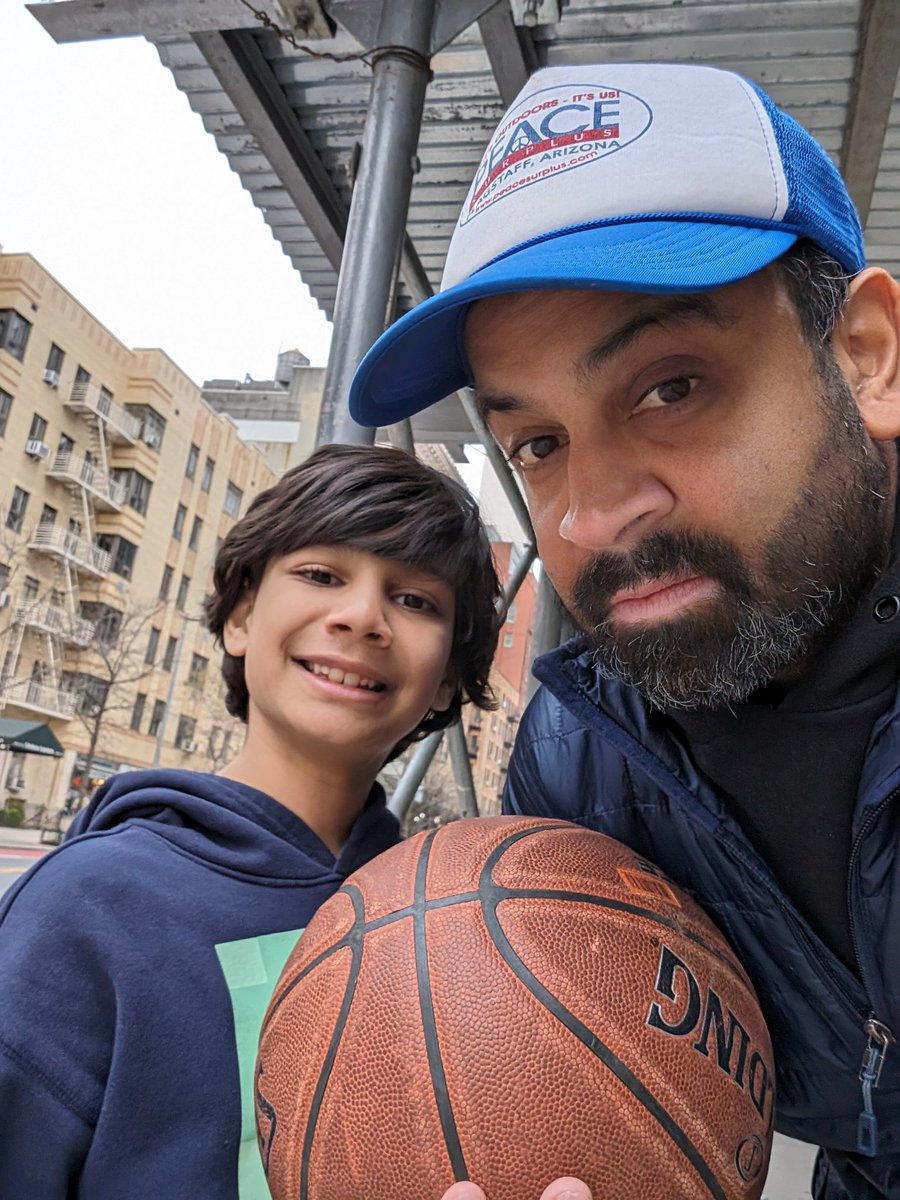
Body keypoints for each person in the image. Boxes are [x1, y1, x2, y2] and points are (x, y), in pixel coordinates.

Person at [349, 62, 900, 1199]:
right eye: (536, 444)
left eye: (670, 388)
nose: (592, 517)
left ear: (867, 357)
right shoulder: (580, 751)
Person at [0, 443, 502, 1198]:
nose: (362, 616)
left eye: (416, 600)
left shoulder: (457, 925)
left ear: (449, 682)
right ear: (239, 618)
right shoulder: (87, 905)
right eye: (321, 575)